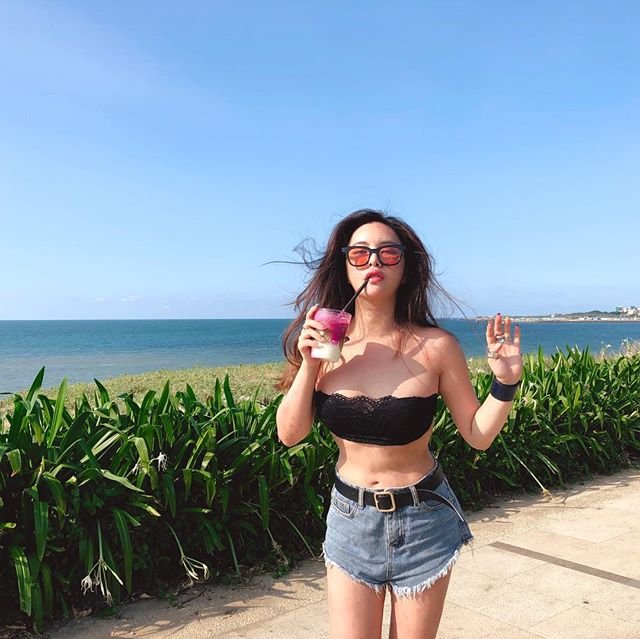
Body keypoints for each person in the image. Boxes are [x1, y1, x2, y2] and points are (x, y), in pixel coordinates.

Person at [276, 209, 523, 639]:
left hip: (424, 517)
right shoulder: (324, 342)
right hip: (351, 519)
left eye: (388, 253)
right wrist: (309, 365)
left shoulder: (437, 346)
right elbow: (290, 433)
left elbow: (478, 435)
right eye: (360, 253)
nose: (374, 261)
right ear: (345, 266)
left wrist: (504, 383)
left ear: (406, 267)